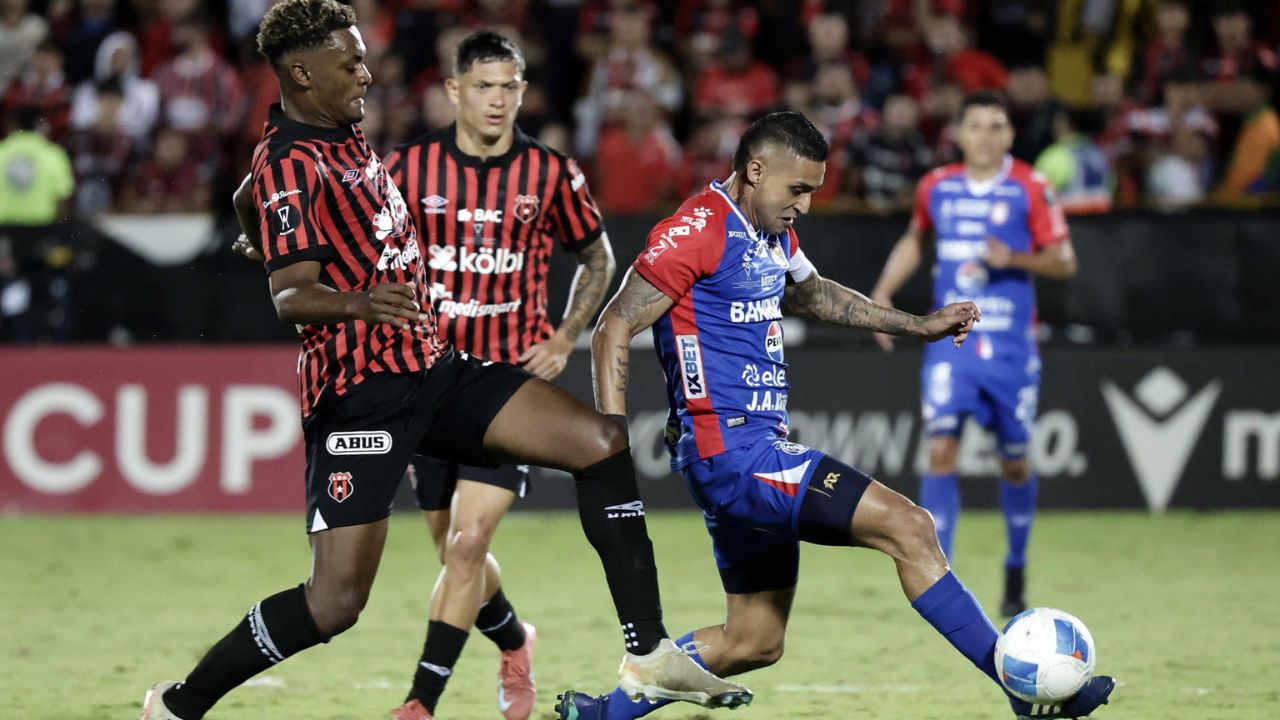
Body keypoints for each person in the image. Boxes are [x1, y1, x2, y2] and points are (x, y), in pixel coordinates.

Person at [140, 3, 749, 719]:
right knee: (333, 604)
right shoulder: (290, 162)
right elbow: (291, 297)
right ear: (302, 73)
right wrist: (359, 301)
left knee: (601, 442)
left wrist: (259, 237)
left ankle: (647, 655)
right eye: (350, 63)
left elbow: (249, 200)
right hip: (359, 396)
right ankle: (179, 704)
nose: (367, 74)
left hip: (435, 366)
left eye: (363, 58)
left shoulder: (339, 131)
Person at [556, 110, 1114, 720]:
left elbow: (816, 294)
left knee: (755, 641)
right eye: (797, 189)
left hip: (748, 455)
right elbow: (615, 323)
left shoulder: (771, 235)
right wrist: (610, 446)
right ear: (754, 169)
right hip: (738, 457)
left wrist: (917, 326)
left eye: (813, 191)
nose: (806, 204)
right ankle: (1016, 687)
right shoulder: (697, 228)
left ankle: (598, 714)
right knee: (911, 527)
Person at [379, 30, 617, 720]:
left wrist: (567, 335)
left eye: (509, 87)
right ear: (453, 91)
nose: (497, 100)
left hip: (506, 391)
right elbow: (356, 240)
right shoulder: (406, 169)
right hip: (426, 381)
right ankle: (516, 641)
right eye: (482, 86)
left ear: (523, 91)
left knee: (468, 542)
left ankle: (420, 704)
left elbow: (598, 258)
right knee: (453, 555)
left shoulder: (549, 174)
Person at [870, 92, 1079, 617]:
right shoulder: (936, 187)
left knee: (1014, 461)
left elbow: (1065, 262)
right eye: (977, 126)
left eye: (997, 126)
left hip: (1010, 346)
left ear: (1009, 136)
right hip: (952, 343)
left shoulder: (1031, 186)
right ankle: (938, 576)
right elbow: (917, 238)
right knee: (941, 448)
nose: (986, 136)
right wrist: (883, 292)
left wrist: (1016, 258)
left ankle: (1015, 565)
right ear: (960, 134)